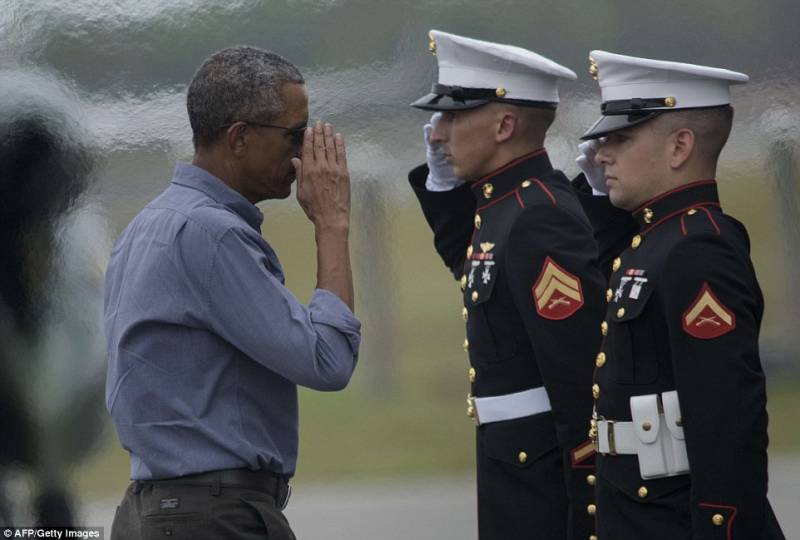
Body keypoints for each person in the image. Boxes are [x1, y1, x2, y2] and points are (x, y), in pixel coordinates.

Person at [105, 46, 361, 540]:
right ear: (239, 138)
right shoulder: (212, 233)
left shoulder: (148, 223)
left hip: (154, 509)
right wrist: (332, 223)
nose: (303, 152)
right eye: (295, 134)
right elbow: (328, 361)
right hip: (210, 515)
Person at [577, 50, 785, 539]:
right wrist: (601, 207)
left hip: (671, 521)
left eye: (620, 138)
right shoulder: (653, 240)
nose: (601, 153)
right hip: (635, 510)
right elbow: (608, 282)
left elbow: (725, 419)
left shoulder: (699, 248)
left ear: (680, 147)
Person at [408, 30, 605, 540]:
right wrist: (443, 186)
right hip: (515, 474)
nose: (438, 132)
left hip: (544, 489)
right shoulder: (504, 206)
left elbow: (580, 382)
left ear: (504, 124)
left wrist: (588, 517)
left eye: (454, 115)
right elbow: (476, 269)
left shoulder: (538, 216)